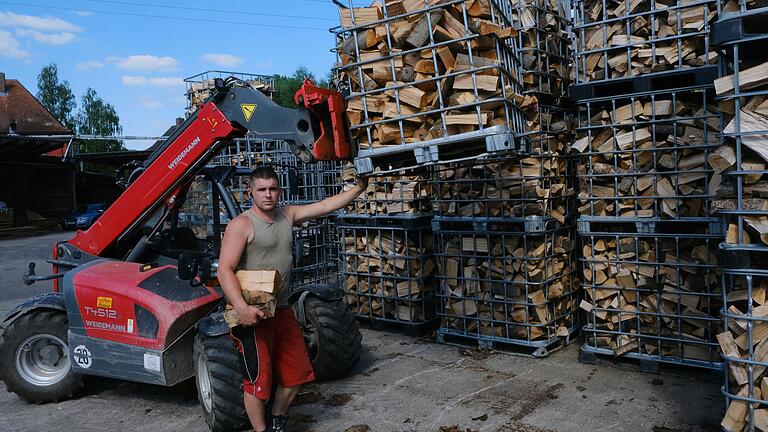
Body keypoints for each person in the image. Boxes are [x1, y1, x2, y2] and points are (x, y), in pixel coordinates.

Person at [217, 166, 368, 432]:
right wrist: (241, 309)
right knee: (257, 381)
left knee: (297, 370)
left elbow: (324, 206)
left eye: (273, 189)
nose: (268, 195)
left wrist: (358, 188)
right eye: (262, 189)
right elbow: (224, 269)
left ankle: (277, 418)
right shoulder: (241, 224)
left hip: (281, 308)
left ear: (280, 191)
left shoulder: (287, 215)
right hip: (251, 313)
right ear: (250, 192)